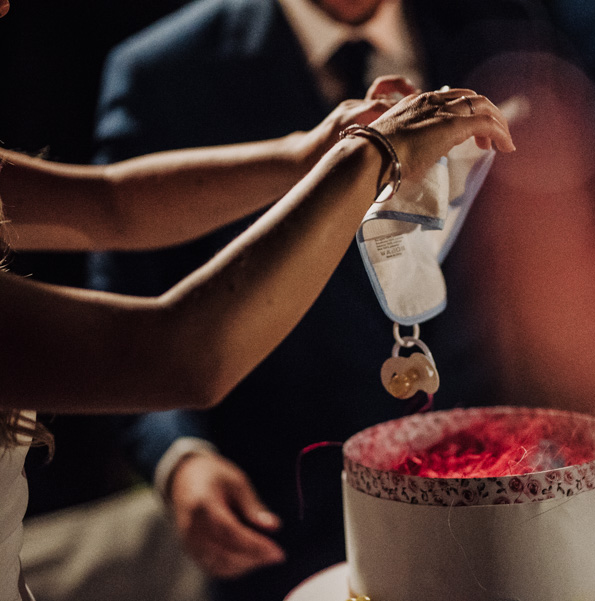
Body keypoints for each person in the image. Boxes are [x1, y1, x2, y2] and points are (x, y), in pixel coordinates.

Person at [0, 3, 516, 590]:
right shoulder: (164, 67)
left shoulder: (507, 24)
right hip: (282, 510)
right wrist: (370, 153)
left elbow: (112, 205)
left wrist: (312, 150)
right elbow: (169, 354)